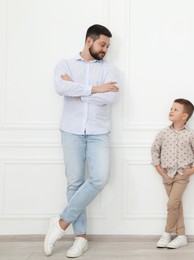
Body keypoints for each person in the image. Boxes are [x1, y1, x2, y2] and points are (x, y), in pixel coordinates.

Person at [44, 24, 120, 258]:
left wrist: (77, 92)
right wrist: (95, 89)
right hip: (71, 131)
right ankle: (80, 238)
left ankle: (61, 222)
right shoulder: (65, 65)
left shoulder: (111, 70)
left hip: (99, 132)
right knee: (74, 183)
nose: (105, 49)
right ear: (89, 41)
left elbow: (110, 96)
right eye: (102, 44)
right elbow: (60, 87)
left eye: (107, 46)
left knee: (99, 178)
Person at [151, 98, 194, 249]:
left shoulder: (191, 135)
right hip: (167, 174)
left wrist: (193, 169)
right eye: (171, 108)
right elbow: (155, 150)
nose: (171, 111)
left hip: (182, 175)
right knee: (177, 205)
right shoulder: (163, 133)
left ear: (184, 116)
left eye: (176, 109)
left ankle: (167, 233)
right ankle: (181, 236)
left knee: (172, 204)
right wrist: (157, 167)